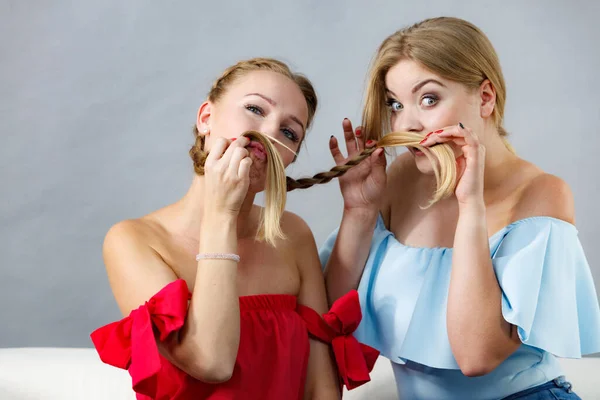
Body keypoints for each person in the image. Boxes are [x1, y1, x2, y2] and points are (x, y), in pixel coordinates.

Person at [321, 17, 600, 400]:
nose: (407, 123)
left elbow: (475, 357)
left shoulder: (540, 194)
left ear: (486, 98)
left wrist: (471, 209)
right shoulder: (402, 177)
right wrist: (359, 212)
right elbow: (329, 316)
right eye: (396, 104)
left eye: (429, 99)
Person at [90, 58, 377, 400]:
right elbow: (211, 361)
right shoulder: (134, 241)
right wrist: (222, 213)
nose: (269, 132)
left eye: (289, 132)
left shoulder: (293, 235)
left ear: (289, 159)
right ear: (206, 118)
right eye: (255, 109)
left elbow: (321, 387)